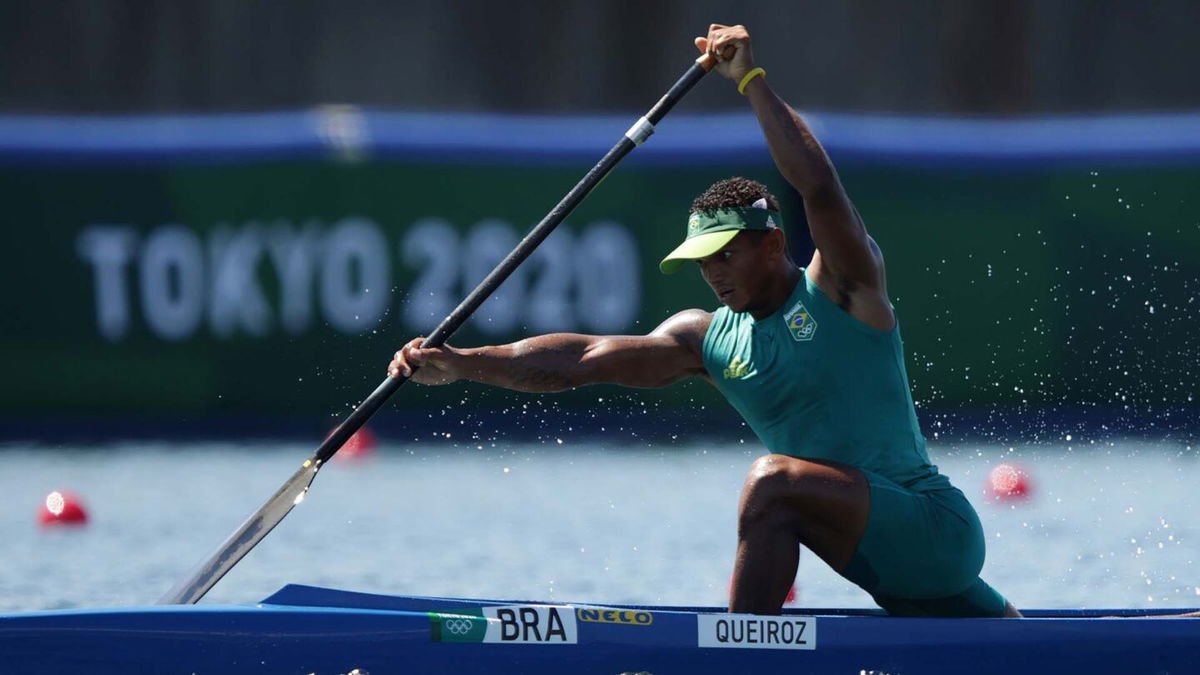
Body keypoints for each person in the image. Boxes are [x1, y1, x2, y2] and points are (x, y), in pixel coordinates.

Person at [388, 23, 1019, 618]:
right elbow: (577, 361)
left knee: (771, 484)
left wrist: (750, 81)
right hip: (882, 565)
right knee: (1027, 647)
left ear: (772, 245)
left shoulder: (843, 288)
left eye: (725, 255)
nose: (712, 273)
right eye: (700, 261)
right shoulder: (706, 337)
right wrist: (463, 364)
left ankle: (736, 654)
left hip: (934, 530)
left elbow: (820, 189)